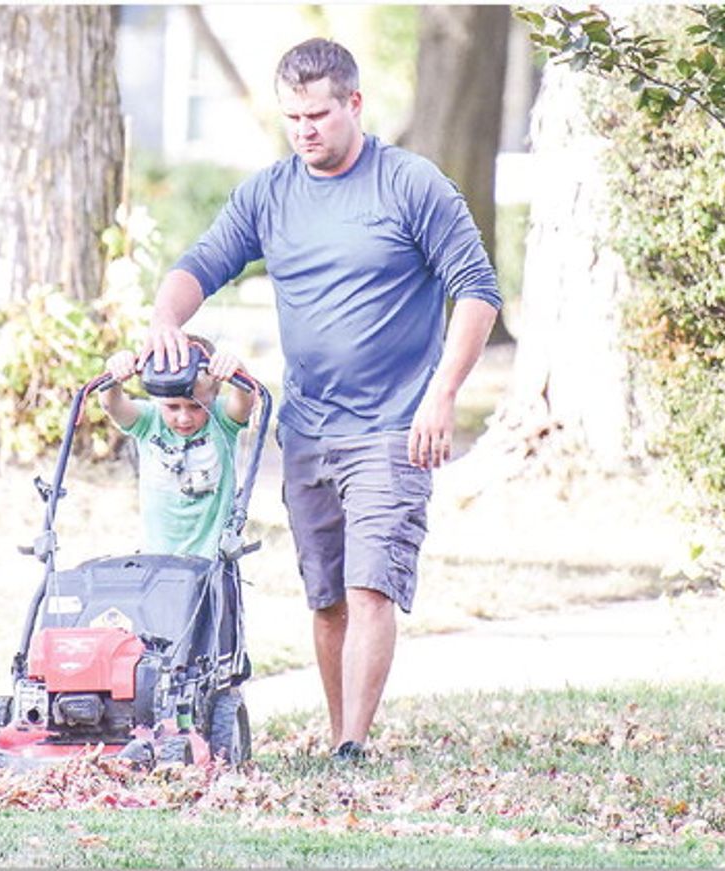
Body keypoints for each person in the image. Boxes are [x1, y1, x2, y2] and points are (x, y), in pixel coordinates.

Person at [141, 38, 501, 761]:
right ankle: (340, 729)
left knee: (371, 586)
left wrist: (443, 393)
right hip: (307, 428)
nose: (304, 129)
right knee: (327, 594)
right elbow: (201, 265)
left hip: (394, 427)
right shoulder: (269, 194)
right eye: (293, 117)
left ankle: (351, 746)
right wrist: (163, 320)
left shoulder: (411, 185)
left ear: (354, 105)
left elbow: (478, 291)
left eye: (318, 114)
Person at [100, 336, 256, 560]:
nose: (184, 418)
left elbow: (245, 401)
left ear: (214, 395)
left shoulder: (221, 420)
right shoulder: (148, 421)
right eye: (172, 407)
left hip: (212, 559)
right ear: (156, 397)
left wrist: (236, 368)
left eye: (196, 407)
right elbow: (111, 405)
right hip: (157, 557)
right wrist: (114, 372)